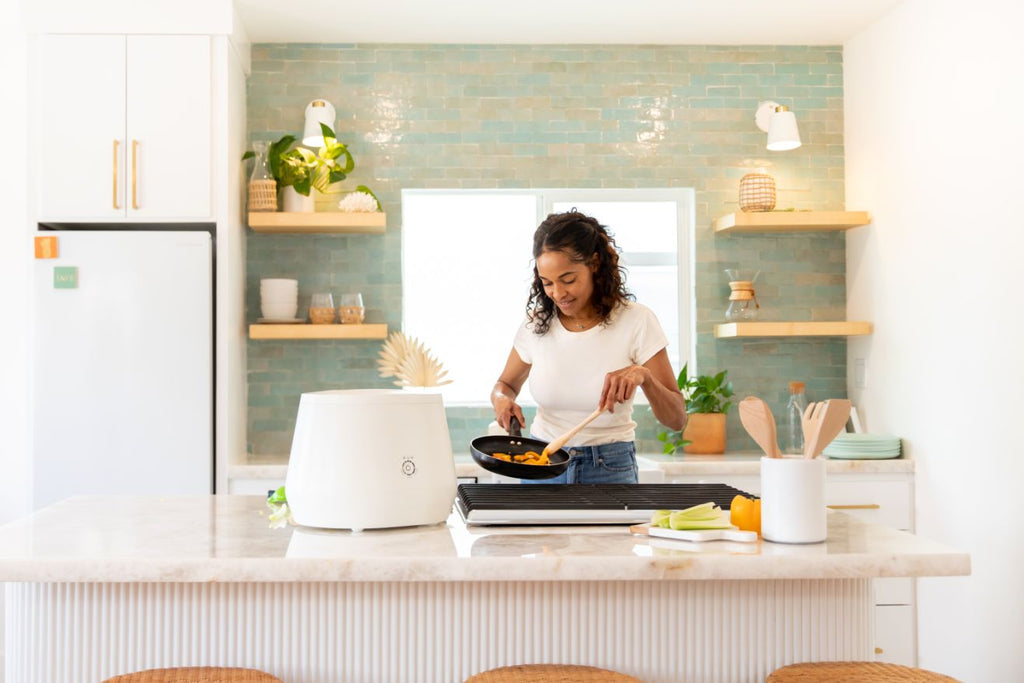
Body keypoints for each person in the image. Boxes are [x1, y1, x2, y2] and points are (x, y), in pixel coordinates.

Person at [490, 209, 687, 484]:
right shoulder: (536, 325)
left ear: (594, 264)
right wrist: (501, 399)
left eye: (568, 279)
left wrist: (645, 377)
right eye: (547, 283)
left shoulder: (636, 320)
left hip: (610, 467)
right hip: (543, 464)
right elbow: (505, 385)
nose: (558, 293)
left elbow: (677, 419)